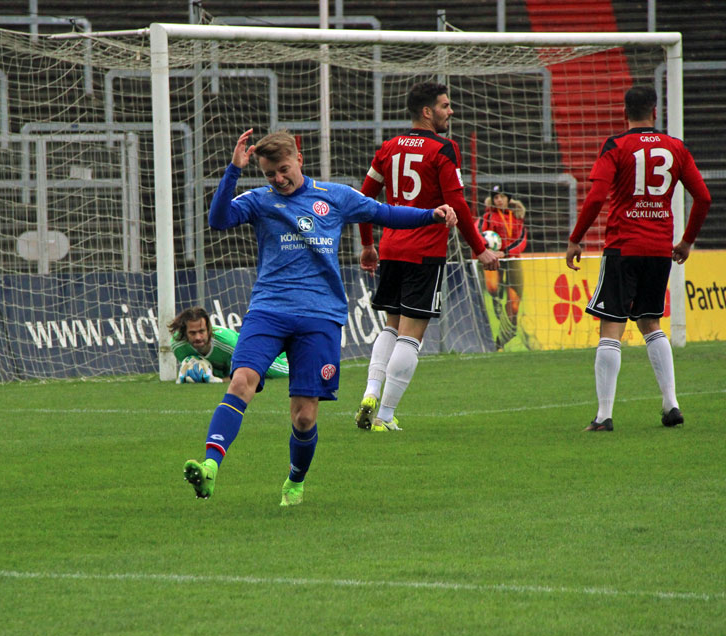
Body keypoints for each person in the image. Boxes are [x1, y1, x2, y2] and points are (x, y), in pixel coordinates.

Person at [183, 128, 458, 505]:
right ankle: (211, 466)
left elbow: (385, 213)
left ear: (298, 158)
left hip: (320, 317)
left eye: (282, 170)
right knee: (240, 381)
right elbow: (219, 219)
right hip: (268, 310)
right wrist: (233, 170)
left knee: (304, 418)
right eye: (268, 174)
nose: (277, 180)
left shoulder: (336, 197)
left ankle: (295, 481)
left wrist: (432, 214)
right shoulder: (260, 201)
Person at [354, 82, 500, 433]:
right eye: (445, 106)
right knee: (411, 336)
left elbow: (364, 199)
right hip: (425, 252)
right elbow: (459, 204)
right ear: (426, 112)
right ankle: (385, 416)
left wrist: (368, 245)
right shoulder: (444, 149)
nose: (450, 112)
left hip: (390, 248)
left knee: (392, 325)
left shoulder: (388, 148)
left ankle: (370, 392)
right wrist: (479, 248)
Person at [566, 86, 711, 431]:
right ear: (656, 112)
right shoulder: (676, 147)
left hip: (624, 246)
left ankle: (603, 416)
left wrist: (575, 238)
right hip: (660, 249)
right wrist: (687, 241)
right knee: (651, 324)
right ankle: (671, 404)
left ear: (624, 113)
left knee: (611, 329)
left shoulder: (616, 146)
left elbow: (597, 196)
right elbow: (703, 198)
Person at [168, 306, 289, 382]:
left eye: (201, 331)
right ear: (185, 333)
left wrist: (219, 381)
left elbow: (242, 375)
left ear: (209, 329)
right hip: (228, 365)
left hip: (251, 352)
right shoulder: (178, 345)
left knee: (288, 373)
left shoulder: (227, 344)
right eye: (192, 333)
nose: (198, 337)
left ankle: (286, 353)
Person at [478, 183, 527, 350]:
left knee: (514, 302)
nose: (498, 200)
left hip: (512, 260)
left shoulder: (517, 216)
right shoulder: (488, 217)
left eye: (502, 197)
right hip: (493, 260)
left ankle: (503, 340)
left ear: (508, 199)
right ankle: (497, 304)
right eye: (496, 198)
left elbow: (522, 240)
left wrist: (505, 252)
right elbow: (478, 233)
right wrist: (486, 249)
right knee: (492, 288)